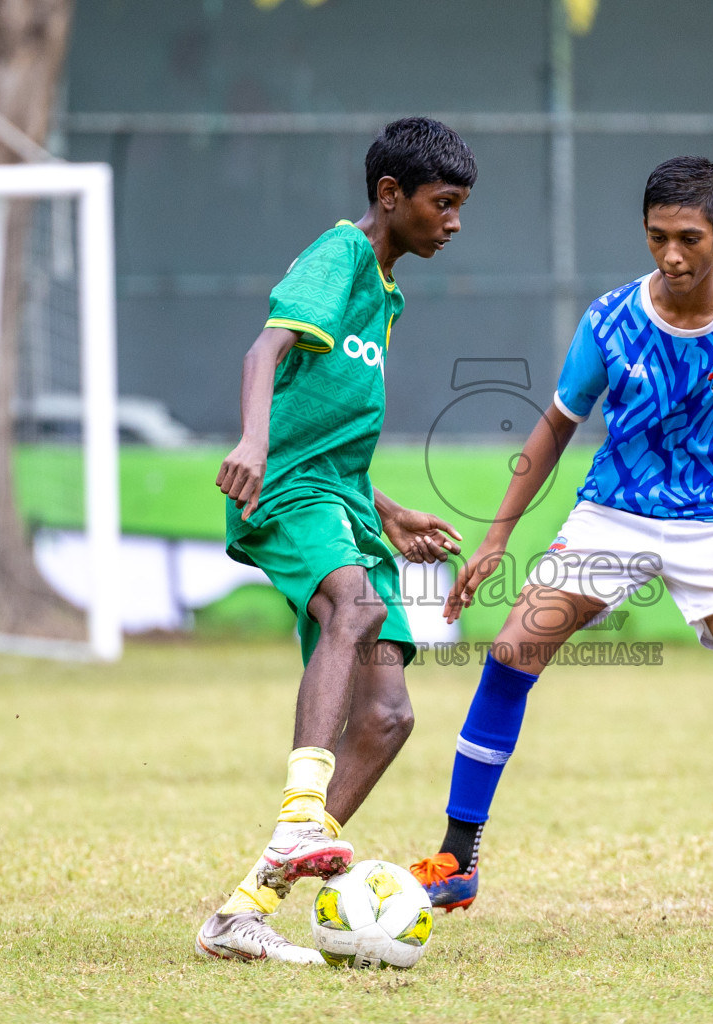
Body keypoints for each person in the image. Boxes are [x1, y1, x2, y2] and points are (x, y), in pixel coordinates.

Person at [409, 156, 713, 930]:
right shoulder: (610, 320)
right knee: (510, 651)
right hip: (614, 512)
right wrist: (497, 538)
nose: (672, 256)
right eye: (658, 237)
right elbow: (554, 428)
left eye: (690, 239)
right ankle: (456, 859)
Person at [196, 117, 476, 963]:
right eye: (444, 204)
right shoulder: (342, 255)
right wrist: (251, 442)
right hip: (285, 489)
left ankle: (242, 911)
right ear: (390, 197)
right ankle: (296, 821)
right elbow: (265, 349)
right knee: (351, 603)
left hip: (344, 501)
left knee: (389, 716)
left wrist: (387, 511)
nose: (454, 222)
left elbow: (329, 420)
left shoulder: (386, 294)